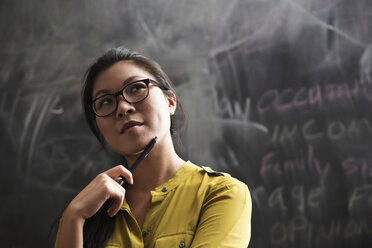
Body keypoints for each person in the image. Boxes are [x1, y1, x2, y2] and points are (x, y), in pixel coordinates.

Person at [54, 47, 252, 248]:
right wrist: (74, 215)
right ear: (100, 127)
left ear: (170, 101)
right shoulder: (84, 212)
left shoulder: (220, 193)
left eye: (136, 88)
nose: (123, 108)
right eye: (105, 101)